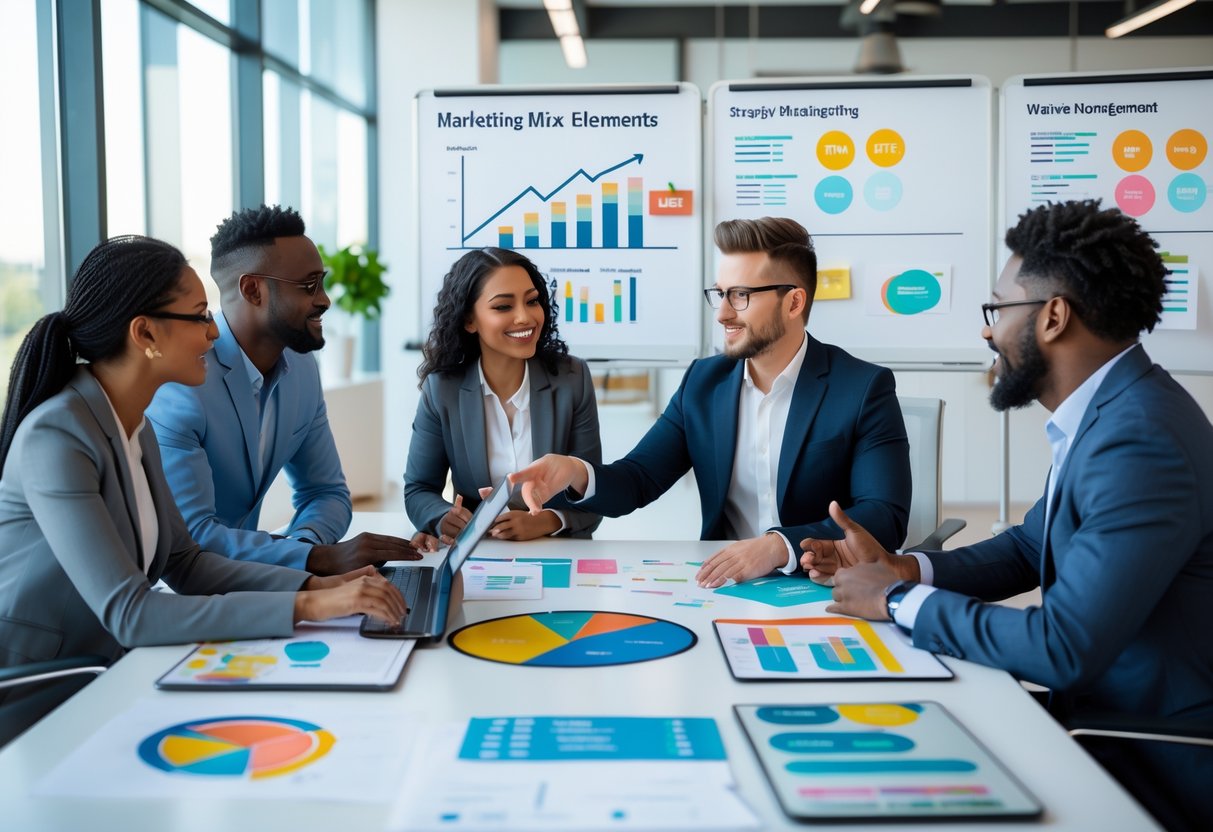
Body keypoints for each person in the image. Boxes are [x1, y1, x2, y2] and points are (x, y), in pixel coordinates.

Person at [802, 200, 1213, 831]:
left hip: (1145, 757)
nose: (988, 331)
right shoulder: (1113, 412)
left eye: (997, 310)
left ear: (1052, 317)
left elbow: (1063, 647)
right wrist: (905, 570)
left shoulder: (1141, 439)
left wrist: (895, 602)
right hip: (1096, 720)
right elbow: (1029, 547)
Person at [0, 236, 406, 708]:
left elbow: (186, 563)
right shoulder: (59, 436)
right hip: (41, 690)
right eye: (199, 317)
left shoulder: (135, 424)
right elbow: (131, 613)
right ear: (145, 334)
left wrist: (318, 584)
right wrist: (310, 606)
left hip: (108, 672)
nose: (213, 334)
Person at [511, 217, 911, 586]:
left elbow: (883, 516)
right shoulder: (704, 382)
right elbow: (639, 479)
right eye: (720, 294)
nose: (722, 313)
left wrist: (778, 546)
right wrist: (574, 472)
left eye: (739, 295)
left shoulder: (862, 387)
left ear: (793, 303)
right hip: (728, 584)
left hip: (825, 584)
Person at [147, 206, 433, 575]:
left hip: (252, 580)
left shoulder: (301, 368)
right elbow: (194, 535)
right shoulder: (183, 384)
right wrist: (317, 560)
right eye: (308, 285)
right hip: (175, 593)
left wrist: (305, 547)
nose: (325, 299)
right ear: (253, 290)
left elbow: (326, 493)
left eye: (322, 283)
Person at [405, 248, 601, 541]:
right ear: (470, 320)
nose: (525, 317)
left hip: (558, 552)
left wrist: (546, 521)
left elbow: (594, 491)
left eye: (532, 301)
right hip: (481, 554)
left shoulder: (572, 379)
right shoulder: (442, 389)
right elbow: (419, 490)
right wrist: (443, 519)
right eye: (503, 307)